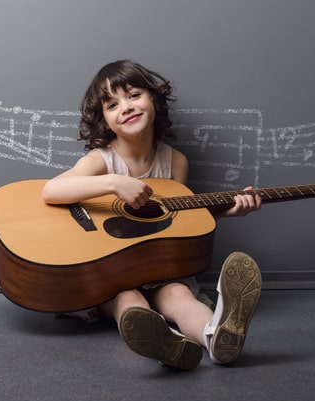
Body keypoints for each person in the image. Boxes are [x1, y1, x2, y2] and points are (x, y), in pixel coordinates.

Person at [42, 60, 262, 370]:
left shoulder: (175, 163)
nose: (126, 107)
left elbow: (172, 223)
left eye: (133, 95)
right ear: (104, 120)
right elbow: (51, 191)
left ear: (153, 100)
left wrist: (224, 213)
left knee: (178, 295)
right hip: (108, 270)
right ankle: (161, 340)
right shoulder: (101, 161)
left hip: (155, 265)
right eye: (112, 104)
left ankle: (216, 335)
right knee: (129, 301)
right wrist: (114, 182)